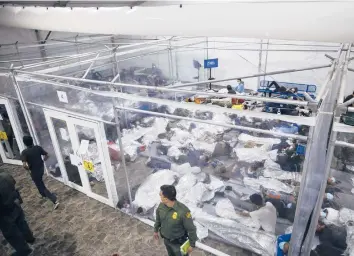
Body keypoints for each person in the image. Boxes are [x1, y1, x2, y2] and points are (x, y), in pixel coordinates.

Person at [154, 185, 198, 256]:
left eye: (161, 194)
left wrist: (192, 245)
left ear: (166, 198)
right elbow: (158, 220)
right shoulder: (161, 206)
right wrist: (155, 230)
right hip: (166, 240)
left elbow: (192, 229)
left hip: (178, 244)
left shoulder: (183, 211)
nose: (159, 194)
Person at [0, 170, 35, 256]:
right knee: (22, 223)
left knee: (12, 234)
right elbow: (13, 184)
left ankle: (25, 251)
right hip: (15, 204)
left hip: (4, 213)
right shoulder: (5, 175)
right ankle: (30, 239)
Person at [21, 136, 59, 210]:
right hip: (41, 168)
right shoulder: (38, 148)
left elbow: (24, 165)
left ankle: (54, 200)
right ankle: (44, 195)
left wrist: (28, 170)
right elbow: (47, 155)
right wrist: (42, 161)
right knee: (39, 183)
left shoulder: (24, 152)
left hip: (34, 171)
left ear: (24, 143)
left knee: (41, 186)